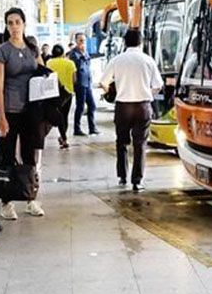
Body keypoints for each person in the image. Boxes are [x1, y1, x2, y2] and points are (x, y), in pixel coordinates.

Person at [0, 7, 46, 220]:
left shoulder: (32, 49)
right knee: (6, 155)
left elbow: (43, 74)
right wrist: (1, 117)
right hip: (10, 109)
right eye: (10, 23)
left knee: (29, 155)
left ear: (24, 24)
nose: (14, 26)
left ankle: (31, 198)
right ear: (6, 26)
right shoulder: (2, 51)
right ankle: (6, 202)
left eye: (17, 22)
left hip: (31, 110)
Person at [101, 28, 162, 192]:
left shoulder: (117, 60)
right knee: (140, 144)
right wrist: (147, 92)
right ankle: (137, 181)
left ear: (125, 42)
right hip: (142, 106)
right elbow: (158, 85)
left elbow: (103, 82)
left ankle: (122, 176)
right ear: (141, 42)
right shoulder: (148, 60)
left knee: (121, 142)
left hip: (123, 106)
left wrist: (112, 90)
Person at [66, 32, 98, 136]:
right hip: (80, 83)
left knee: (92, 105)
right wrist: (83, 55)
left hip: (87, 83)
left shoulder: (85, 52)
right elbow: (78, 66)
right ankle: (77, 128)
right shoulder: (74, 53)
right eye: (80, 40)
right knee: (80, 106)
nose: (82, 43)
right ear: (76, 41)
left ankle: (92, 128)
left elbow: (88, 63)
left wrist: (85, 54)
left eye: (84, 40)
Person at [46, 44, 76, 150]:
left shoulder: (49, 63)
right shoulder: (70, 63)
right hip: (67, 93)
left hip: (53, 93)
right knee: (65, 116)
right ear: (63, 53)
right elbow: (74, 79)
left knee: (58, 115)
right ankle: (63, 138)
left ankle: (63, 137)